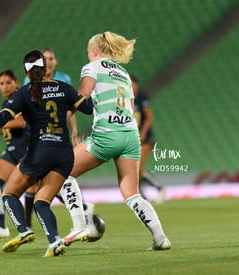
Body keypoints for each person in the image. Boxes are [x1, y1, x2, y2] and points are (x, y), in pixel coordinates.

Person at [0, 50, 94, 257]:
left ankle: (24, 230)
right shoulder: (63, 88)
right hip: (64, 154)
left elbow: (1, 121)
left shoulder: (24, 93)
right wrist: (79, 96)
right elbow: (88, 109)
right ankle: (54, 240)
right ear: (46, 68)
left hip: (40, 152)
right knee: (41, 201)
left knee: (8, 193)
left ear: (26, 72)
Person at [58, 31, 171, 251]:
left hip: (107, 134)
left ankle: (79, 225)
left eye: (88, 52)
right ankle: (160, 238)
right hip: (130, 135)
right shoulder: (124, 73)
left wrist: (63, 117)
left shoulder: (92, 67)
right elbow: (128, 105)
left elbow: (82, 96)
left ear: (93, 50)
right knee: (132, 192)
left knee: (62, 170)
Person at [21, 48, 92, 228]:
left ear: (55, 61)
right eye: (46, 59)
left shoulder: (63, 79)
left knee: (50, 178)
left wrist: (74, 129)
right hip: (38, 134)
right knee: (40, 181)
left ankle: (27, 226)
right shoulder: (28, 82)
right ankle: (80, 208)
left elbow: (72, 104)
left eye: (51, 58)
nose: (49, 61)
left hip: (57, 134)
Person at [0, 70, 30, 239]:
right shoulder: (6, 102)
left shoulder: (18, 98)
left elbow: (22, 121)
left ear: (16, 83)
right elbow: (10, 128)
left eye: (8, 82)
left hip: (21, 148)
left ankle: (2, 226)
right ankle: (1, 225)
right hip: (13, 147)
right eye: (1, 83)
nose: (5, 86)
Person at [130, 74, 166, 205]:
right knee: (134, 170)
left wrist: (143, 133)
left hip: (143, 139)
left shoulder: (141, 98)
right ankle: (142, 197)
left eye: (134, 84)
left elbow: (149, 116)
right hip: (131, 138)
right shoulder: (125, 99)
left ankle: (159, 189)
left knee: (138, 169)